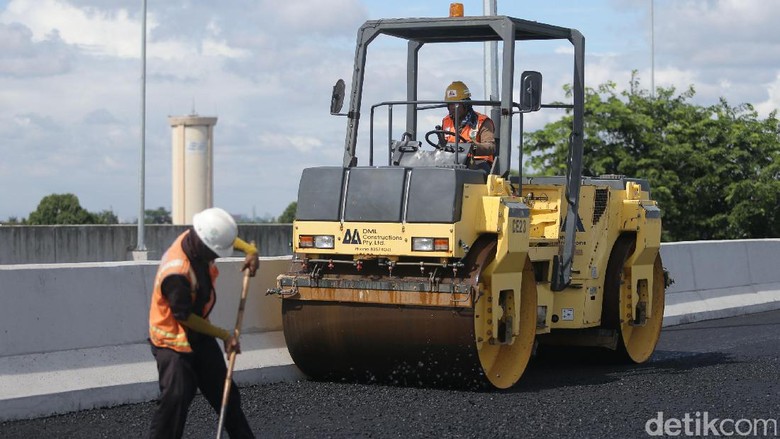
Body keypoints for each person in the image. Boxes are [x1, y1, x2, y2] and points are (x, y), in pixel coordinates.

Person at [148, 207, 259, 439]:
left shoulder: (199, 241)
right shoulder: (176, 272)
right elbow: (184, 317)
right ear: (203, 244)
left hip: (198, 333)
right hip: (172, 339)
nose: (217, 257)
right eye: (215, 252)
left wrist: (249, 250)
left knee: (225, 394)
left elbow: (226, 238)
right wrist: (225, 335)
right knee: (176, 397)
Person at [440, 80, 496, 172]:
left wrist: (472, 147)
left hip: (478, 164)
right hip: (451, 162)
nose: (452, 108)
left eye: (456, 104)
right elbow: (442, 145)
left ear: (466, 104)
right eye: (450, 104)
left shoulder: (482, 121)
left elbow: (491, 147)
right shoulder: (446, 121)